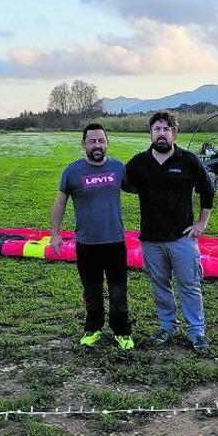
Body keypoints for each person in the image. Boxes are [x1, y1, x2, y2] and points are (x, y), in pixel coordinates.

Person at [124, 111, 215, 353]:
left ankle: (197, 332)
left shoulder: (188, 160)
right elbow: (122, 183)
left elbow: (208, 189)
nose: (161, 133)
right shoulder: (139, 163)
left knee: (189, 285)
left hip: (182, 239)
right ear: (150, 133)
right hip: (151, 239)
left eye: (166, 129)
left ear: (174, 133)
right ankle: (167, 325)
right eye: (157, 129)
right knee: (160, 284)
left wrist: (202, 223)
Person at [50, 123, 133, 350]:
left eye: (101, 140)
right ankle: (93, 328)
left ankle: (122, 331)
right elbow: (59, 204)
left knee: (118, 290)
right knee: (92, 290)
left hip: (115, 242)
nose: (97, 145)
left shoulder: (118, 168)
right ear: (84, 144)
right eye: (92, 141)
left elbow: (140, 188)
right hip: (87, 244)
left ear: (107, 143)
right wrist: (55, 234)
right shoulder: (72, 171)